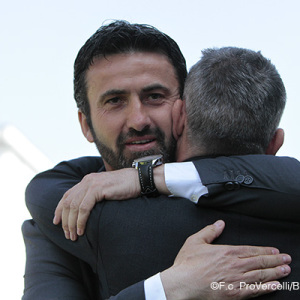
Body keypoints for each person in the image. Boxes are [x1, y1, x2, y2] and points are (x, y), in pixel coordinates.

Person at [22, 21, 297, 299]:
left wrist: (145, 177)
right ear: (86, 124)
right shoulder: (60, 217)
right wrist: (168, 288)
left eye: (155, 96)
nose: (139, 120)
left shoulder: (267, 195)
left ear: (183, 108)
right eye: (115, 101)